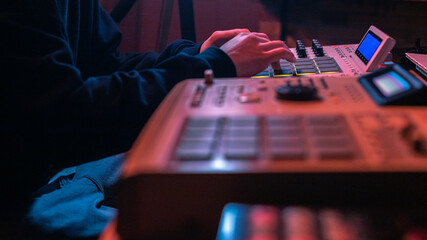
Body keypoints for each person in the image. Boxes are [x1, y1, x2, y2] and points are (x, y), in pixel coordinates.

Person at [0, 0, 295, 239]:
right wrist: (213, 66)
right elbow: (62, 117)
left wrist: (200, 56)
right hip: (24, 194)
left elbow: (103, 66)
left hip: (65, 166)